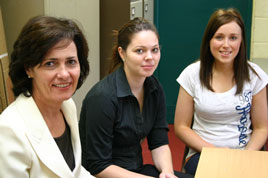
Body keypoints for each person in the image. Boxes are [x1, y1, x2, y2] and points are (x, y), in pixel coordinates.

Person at [79, 17, 193, 178]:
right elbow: (98, 166)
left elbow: (159, 142)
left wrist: (167, 173)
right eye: (140, 51)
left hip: (136, 171)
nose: (150, 57)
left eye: (154, 50)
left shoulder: (154, 87)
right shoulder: (102, 98)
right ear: (122, 53)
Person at [174, 8, 268, 176]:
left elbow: (261, 128)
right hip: (203, 152)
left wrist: (246, 154)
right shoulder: (192, 74)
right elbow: (181, 127)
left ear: (241, 41)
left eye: (233, 38)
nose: (226, 45)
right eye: (219, 37)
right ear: (209, 40)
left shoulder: (255, 75)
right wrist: (214, 152)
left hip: (246, 151)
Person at [0, 16, 94, 178]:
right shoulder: (8, 130)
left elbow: (74, 172)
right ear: (29, 69)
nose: (64, 74)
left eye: (71, 62)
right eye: (50, 63)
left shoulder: (67, 106)